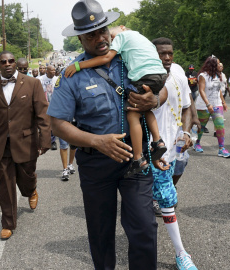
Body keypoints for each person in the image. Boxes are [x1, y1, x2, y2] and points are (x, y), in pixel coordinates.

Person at [49, 0, 162, 268]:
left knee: (145, 229)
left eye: (103, 31)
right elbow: (57, 123)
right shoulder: (71, 74)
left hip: (136, 160)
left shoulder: (128, 54)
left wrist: (153, 100)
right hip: (96, 164)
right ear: (79, 37)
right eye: (91, 34)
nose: (100, 38)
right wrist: (96, 141)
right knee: (100, 233)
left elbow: (160, 85)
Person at [65, 24, 168, 177]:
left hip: (144, 76)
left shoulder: (122, 37)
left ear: (122, 27)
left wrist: (79, 65)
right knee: (145, 109)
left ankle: (138, 158)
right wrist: (153, 99)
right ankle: (158, 141)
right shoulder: (142, 38)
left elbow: (107, 57)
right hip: (159, 75)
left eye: (109, 35)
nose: (110, 40)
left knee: (133, 115)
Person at [0, 50, 51, 239]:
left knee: (26, 177)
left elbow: (42, 113)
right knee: (5, 182)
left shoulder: (32, 83)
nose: (7, 64)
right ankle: (8, 222)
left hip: (26, 141)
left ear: (15, 63)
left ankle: (31, 189)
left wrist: (45, 139)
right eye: (3, 61)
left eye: (10, 61)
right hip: (1, 143)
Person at [149, 37, 198, 270]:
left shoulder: (178, 71)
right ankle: (180, 253)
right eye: (161, 54)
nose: (166, 58)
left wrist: (186, 133)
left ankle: (158, 196)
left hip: (176, 145)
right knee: (166, 200)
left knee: (181, 164)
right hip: (152, 151)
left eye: (169, 53)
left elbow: (187, 106)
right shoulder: (143, 76)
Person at [193, 56, 230, 158]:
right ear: (212, 65)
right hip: (203, 105)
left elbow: (218, 90)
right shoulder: (203, 75)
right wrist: (208, 104)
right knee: (201, 126)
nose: (220, 65)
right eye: (218, 63)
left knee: (220, 125)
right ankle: (197, 143)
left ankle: (221, 149)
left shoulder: (218, 76)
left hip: (217, 104)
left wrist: (223, 102)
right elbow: (201, 90)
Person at [40, 65, 59, 151]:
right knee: (44, 123)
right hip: (43, 104)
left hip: (54, 104)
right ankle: (43, 141)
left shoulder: (57, 79)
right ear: (47, 71)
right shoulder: (40, 80)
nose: (53, 72)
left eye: (54, 70)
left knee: (52, 123)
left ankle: (52, 141)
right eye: (51, 70)